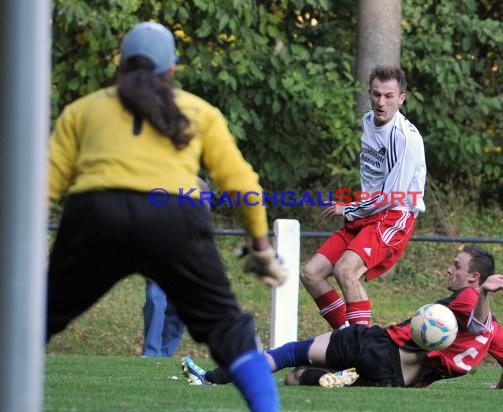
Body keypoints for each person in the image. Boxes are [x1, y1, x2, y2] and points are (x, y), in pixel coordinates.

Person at [46, 21, 287, 412]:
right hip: (173, 217)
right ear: (172, 68)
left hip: (95, 213)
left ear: (121, 65)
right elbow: (243, 184)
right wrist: (261, 248)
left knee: (34, 315)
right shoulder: (198, 111)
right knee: (227, 329)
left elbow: (44, 186)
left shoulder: (82, 110)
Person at [182, 245, 503, 389]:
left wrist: (484, 294)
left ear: (474, 278)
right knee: (296, 379)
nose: (450, 268)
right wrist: (499, 389)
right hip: (393, 382)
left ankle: (210, 377)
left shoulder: (469, 297)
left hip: (377, 345)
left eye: (458, 266)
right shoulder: (493, 330)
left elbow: (475, 318)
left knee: (289, 354)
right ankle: (331, 379)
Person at [302, 65, 427, 329]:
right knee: (311, 274)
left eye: (389, 96)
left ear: (401, 98)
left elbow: (393, 196)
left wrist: (349, 209)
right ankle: (348, 336)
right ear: (369, 94)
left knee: (346, 271)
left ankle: (363, 350)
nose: (382, 102)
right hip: (367, 212)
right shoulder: (368, 121)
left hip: (393, 215)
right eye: (376, 94)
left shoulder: (404, 138)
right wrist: (358, 209)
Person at [141, 178, 211, 358]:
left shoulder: (200, 187)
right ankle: (151, 354)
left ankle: (164, 355)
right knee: (156, 301)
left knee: (178, 311)